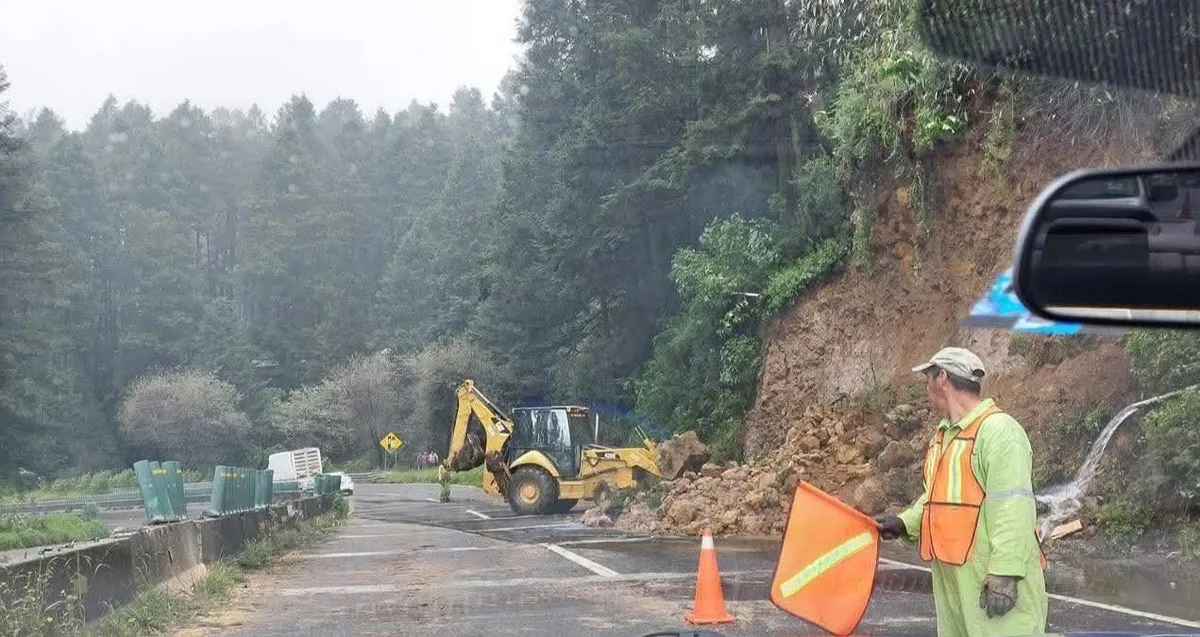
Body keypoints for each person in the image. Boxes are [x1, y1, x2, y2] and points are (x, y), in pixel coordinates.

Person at [874, 347, 1048, 637]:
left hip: (991, 583)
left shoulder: (999, 431)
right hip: (956, 585)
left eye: (928, 378)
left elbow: (1013, 506)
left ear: (942, 378)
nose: (926, 387)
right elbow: (938, 498)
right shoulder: (946, 435)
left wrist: (1005, 572)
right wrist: (904, 523)